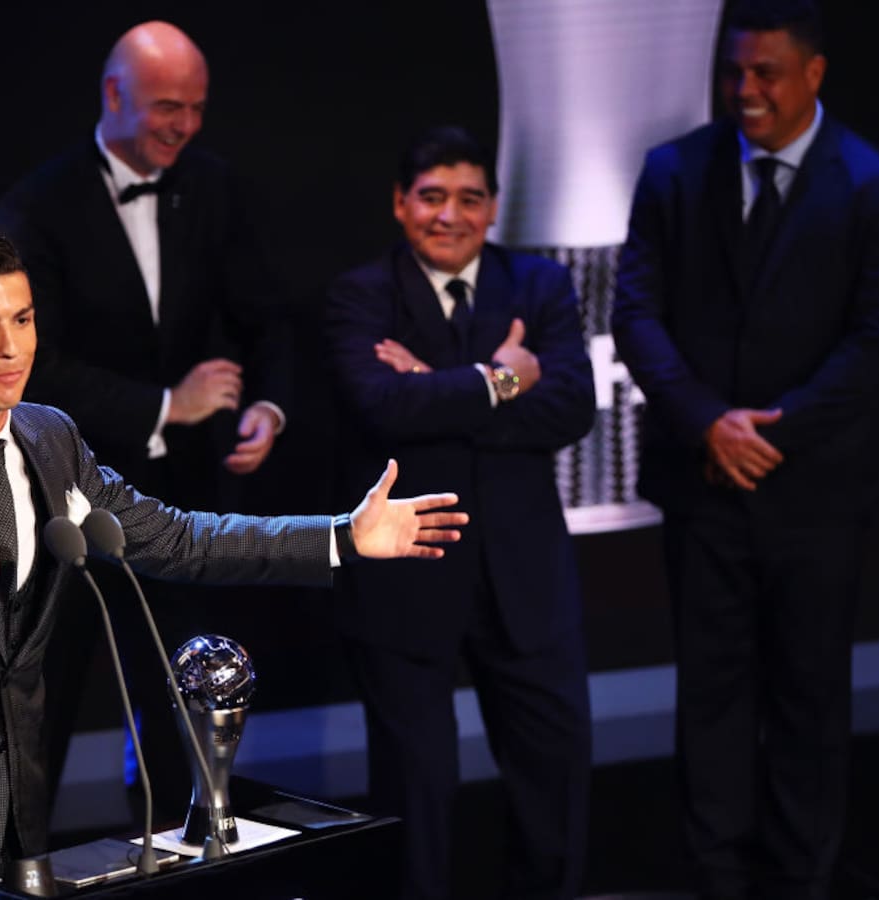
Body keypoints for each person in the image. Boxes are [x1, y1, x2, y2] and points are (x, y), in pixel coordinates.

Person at [0, 225, 467, 900]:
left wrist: (340, 536)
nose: (12, 347)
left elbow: (179, 539)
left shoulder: (50, 438)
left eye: (23, 319)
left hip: (16, 825)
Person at [611, 2, 879, 897]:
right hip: (703, 485)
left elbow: (878, 337)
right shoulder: (674, 170)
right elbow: (636, 312)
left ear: (813, 73)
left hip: (814, 491)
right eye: (734, 72)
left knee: (808, 696)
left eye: (766, 74)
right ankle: (715, 874)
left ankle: (799, 877)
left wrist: (767, 433)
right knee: (709, 694)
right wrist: (709, 422)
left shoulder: (874, 182)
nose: (745, 90)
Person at [0, 21, 292, 810]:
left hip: (175, 497)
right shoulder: (40, 204)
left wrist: (268, 404)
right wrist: (166, 405)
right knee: (40, 708)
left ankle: (176, 855)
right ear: (114, 95)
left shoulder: (214, 186)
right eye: (167, 106)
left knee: (179, 699)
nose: (184, 125)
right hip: (57, 496)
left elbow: (269, 315)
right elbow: (27, 363)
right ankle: (20, 864)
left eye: (196, 107)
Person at [323, 126, 596, 900]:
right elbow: (379, 407)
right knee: (415, 800)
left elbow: (571, 407)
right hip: (407, 580)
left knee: (554, 790)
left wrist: (432, 385)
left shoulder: (540, 285)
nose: (451, 215)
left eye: (470, 198)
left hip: (526, 578)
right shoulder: (361, 294)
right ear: (401, 204)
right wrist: (498, 380)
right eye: (432, 197)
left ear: (494, 207)